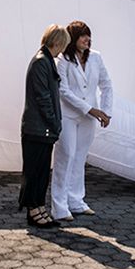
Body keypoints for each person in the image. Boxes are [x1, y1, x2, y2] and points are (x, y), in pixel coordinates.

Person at [51, 21, 113, 222]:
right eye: (82, 36)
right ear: (73, 39)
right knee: (65, 156)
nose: (87, 39)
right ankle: (59, 206)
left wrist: (106, 111)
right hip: (68, 116)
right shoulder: (62, 60)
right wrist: (91, 109)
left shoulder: (96, 57)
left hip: (89, 117)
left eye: (89, 35)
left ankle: (76, 201)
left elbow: (106, 85)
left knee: (80, 157)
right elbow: (63, 91)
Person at [19, 24, 71, 228]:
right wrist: (54, 121)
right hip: (38, 128)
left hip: (42, 128)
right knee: (34, 171)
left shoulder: (47, 61)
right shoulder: (42, 63)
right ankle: (33, 210)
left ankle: (39, 206)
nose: (63, 49)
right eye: (63, 45)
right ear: (57, 42)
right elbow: (43, 97)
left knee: (41, 171)